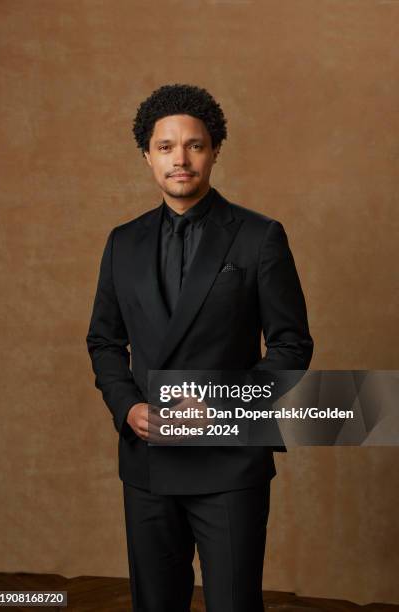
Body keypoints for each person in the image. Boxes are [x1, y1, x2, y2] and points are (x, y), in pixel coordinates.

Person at [86, 83, 313, 612]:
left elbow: (291, 346)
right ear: (147, 155)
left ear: (214, 151)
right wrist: (128, 407)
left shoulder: (259, 237)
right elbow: (103, 340)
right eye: (166, 147)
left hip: (229, 461)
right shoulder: (124, 241)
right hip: (148, 462)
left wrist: (224, 406)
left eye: (195, 145)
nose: (180, 159)